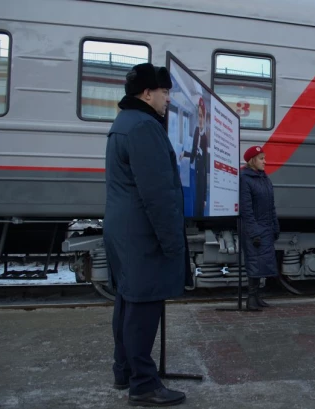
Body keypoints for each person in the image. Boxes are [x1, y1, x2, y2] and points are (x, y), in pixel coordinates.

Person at [103, 62, 188, 407]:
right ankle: (143, 384)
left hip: (124, 230)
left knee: (127, 302)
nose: (168, 99)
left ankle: (123, 370)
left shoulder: (124, 123)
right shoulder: (144, 128)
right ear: (147, 92)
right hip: (143, 234)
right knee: (143, 307)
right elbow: (158, 193)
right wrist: (172, 243)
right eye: (165, 92)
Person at [239, 146, 280, 310]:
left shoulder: (264, 178)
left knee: (261, 263)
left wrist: (275, 226)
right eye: (262, 158)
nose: (265, 161)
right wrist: (254, 232)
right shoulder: (245, 178)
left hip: (266, 227)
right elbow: (246, 209)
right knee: (254, 262)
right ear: (252, 160)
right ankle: (250, 300)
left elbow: (271, 206)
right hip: (253, 228)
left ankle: (257, 297)